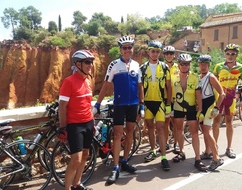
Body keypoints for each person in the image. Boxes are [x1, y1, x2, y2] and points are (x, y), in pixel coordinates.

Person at [92, 36, 144, 184]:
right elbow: (105, 85)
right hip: (120, 105)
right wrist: (97, 105)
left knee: (130, 134)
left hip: (133, 105)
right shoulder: (114, 65)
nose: (127, 50)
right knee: (117, 135)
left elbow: (140, 87)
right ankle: (115, 167)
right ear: (121, 50)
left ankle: (125, 161)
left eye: (129, 47)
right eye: (124, 48)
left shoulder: (136, 65)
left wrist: (142, 105)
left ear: (132, 49)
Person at [58, 49, 95, 190]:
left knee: (86, 154)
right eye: (87, 62)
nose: (90, 65)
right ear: (78, 64)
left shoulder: (87, 81)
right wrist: (62, 128)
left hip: (88, 122)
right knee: (76, 159)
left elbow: (87, 103)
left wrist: (93, 122)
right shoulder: (69, 82)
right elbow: (62, 107)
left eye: (91, 62)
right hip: (75, 125)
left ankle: (77, 184)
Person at [171, 53, 207, 171]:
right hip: (178, 107)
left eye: (187, 64)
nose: (184, 66)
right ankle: (181, 152)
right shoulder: (173, 77)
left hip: (191, 107)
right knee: (179, 130)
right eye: (182, 64)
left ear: (190, 65)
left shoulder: (195, 77)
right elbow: (169, 93)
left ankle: (197, 158)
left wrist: (200, 111)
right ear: (179, 65)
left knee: (194, 132)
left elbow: (199, 95)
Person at [212, 43, 242, 159]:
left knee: (229, 124)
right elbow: (212, 82)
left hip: (231, 99)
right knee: (216, 123)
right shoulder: (218, 67)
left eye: (233, 54)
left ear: (237, 54)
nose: (230, 56)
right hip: (219, 98)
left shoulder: (241, 68)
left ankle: (228, 148)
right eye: (228, 53)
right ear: (225, 54)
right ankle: (214, 147)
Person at [141, 40, 172, 171]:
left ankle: (164, 157)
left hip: (160, 102)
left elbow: (169, 87)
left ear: (160, 53)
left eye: (157, 52)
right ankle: (153, 150)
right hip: (147, 103)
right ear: (148, 52)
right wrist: (141, 104)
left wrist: (169, 104)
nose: (155, 54)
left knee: (160, 128)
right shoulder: (142, 68)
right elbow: (140, 87)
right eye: (153, 51)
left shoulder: (165, 67)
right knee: (150, 128)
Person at [197, 54, 225, 171]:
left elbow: (222, 93)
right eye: (201, 64)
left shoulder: (211, 77)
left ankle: (216, 158)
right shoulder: (199, 77)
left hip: (209, 107)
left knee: (208, 132)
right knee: (205, 131)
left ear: (208, 65)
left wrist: (216, 108)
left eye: (205, 64)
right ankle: (208, 151)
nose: (203, 66)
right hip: (203, 107)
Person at [162, 45, 179, 153]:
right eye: (167, 53)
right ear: (164, 55)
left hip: (176, 99)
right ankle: (166, 143)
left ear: (174, 55)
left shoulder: (178, 67)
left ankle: (176, 144)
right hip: (164, 98)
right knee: (165, 122)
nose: (169, 55)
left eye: (171, 53)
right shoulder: (161, 66)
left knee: (176, 123)